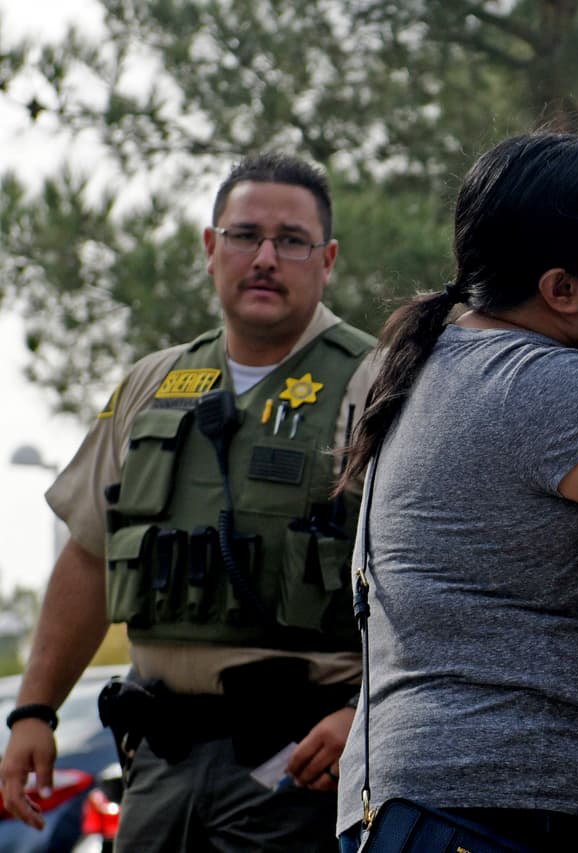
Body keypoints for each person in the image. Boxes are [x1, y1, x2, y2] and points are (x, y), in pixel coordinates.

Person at [333, 132, 578, 852]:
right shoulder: (535, 387)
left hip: (448, 805)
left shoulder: (464, 360)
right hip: (492, 809)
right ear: (561, 289)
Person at [0, 152, 379, 851]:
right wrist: (33, 711)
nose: (265, 258)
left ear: (327, 260)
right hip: (159, 758)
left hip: (301, 764)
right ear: (210, 248)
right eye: (245, 235)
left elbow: (427, 579)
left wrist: (367, 715)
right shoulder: (151, 383)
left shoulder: (376, 385)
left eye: (291, 240)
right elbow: (89, 556)